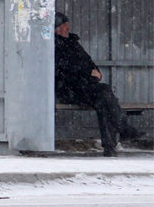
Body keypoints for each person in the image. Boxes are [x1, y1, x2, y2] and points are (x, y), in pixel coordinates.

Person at [54, 12, 141, 157]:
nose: (67, 29)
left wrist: (95, 72)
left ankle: (109, 147)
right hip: (69, 90)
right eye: (63, 26)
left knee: (102, 101)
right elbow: (66, 69)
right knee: (104, 90)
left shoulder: (73, 42)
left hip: (85, 88)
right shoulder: (55, 46)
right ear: (56, 29)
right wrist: (89, 73)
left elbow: (88, 62)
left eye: (67, 25)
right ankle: (123, 128)